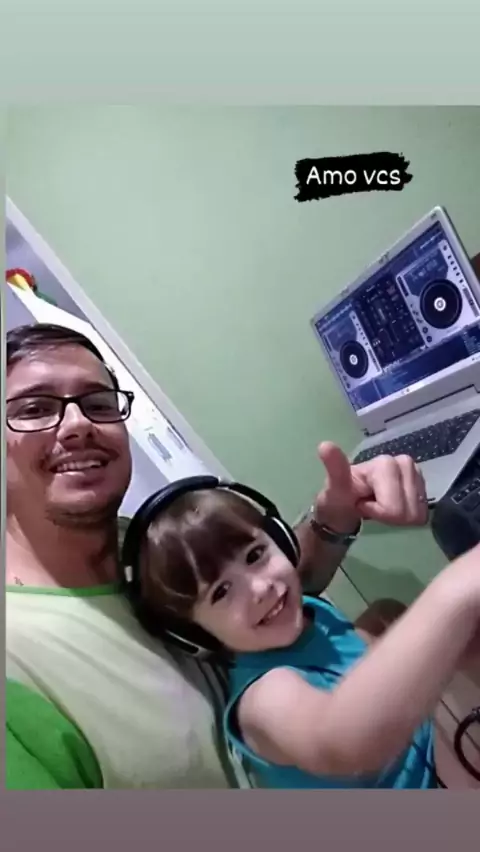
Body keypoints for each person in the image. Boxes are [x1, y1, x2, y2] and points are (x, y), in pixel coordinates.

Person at [6, 322, 428, 789]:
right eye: (34, 409)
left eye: (98, 403)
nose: (78, 424)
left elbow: (268, 601)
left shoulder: (143, 545)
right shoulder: (14, 664)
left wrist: (334, 517)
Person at [121, 483, 480, 789]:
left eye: (255, 554)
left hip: (435, 765)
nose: (260, 588)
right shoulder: (263, 699)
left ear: (281, 540)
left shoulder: (309, 610)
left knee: (387, 613)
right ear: (194, 633)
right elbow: (341, 742)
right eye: (221, 592)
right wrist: (452, 591)